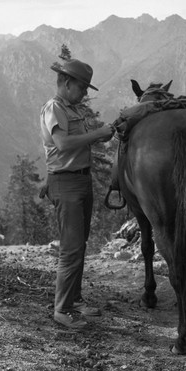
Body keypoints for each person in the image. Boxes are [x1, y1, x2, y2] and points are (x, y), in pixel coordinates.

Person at [40, 56, 114, 329]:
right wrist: (97, 135)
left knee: (79, 245)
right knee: (71, 250)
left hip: (80, 180)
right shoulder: (54, 108)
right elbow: (61, 143)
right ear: (67, 82)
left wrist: (101, 134)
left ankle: (75, 299)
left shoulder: (71, 108)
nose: (84, 93)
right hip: (67, 184)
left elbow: (73, 143)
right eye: (82, 87)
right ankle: (61, 309)